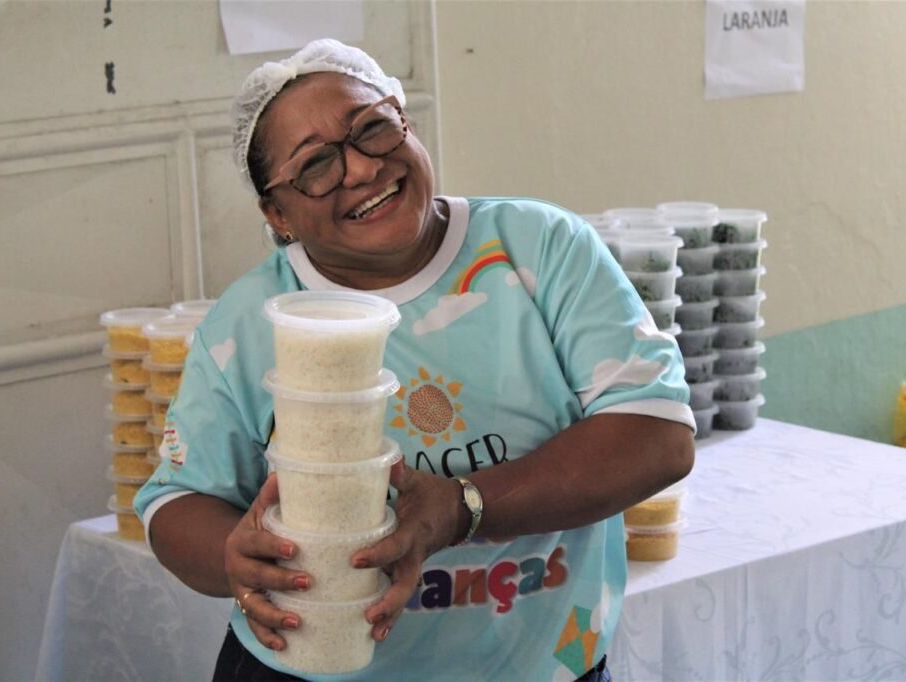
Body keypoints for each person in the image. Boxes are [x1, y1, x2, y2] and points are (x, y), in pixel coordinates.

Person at [134, 38, 695, 682]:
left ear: (405, 120)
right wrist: (234, 558)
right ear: (277, 212)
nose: (363, 170)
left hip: (536, 664)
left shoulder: (538, 249)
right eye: (315, 165)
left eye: (372, 128)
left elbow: (657, 437)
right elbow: (175, 503)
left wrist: (461, 507)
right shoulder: (255, 319)